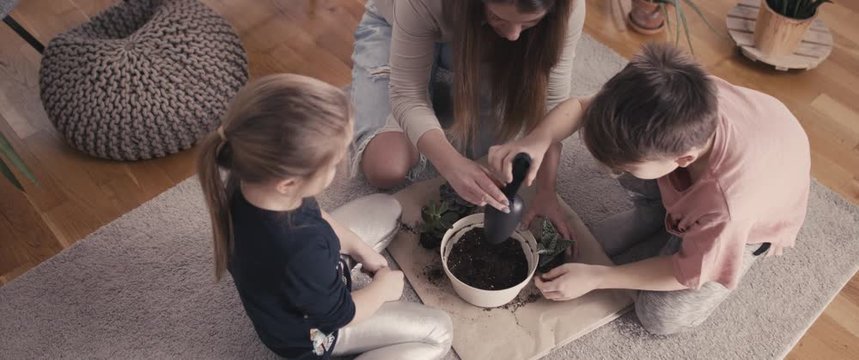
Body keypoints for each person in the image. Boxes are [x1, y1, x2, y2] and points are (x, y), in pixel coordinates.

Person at [488, 43, 810, 334]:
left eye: (628, 166)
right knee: (617, 152)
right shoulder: (655, 95)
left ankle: (709, 239)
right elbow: (583, 108)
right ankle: (662, 216)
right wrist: (537, 142)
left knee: (657, 315)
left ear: (683, 159)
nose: (615, 172)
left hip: (750, 218)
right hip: (752, 143)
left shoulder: (726, 204)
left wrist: (598, 278)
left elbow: (685, 273)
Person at [197, 74, 452, 359]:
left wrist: (359, 248)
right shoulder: (298, 250)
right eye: (333, 164)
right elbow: (340, 314)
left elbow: (314, 212)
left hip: (302, 284)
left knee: (388, 208)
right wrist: (382, 289)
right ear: (288, 183)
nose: (339, 169)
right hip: (315, 335)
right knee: (440, 332)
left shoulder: (250, 180)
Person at [350, 0, 587, 240]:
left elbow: (554, 105)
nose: (514, 35)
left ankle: (483, 33)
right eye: (500, 18)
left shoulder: (569, 5)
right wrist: (451, 164)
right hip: (399, 22)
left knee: (486, 154)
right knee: (385, 166)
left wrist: (546, 191)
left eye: (529, 22)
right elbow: (407, 95)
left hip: (475, 31)